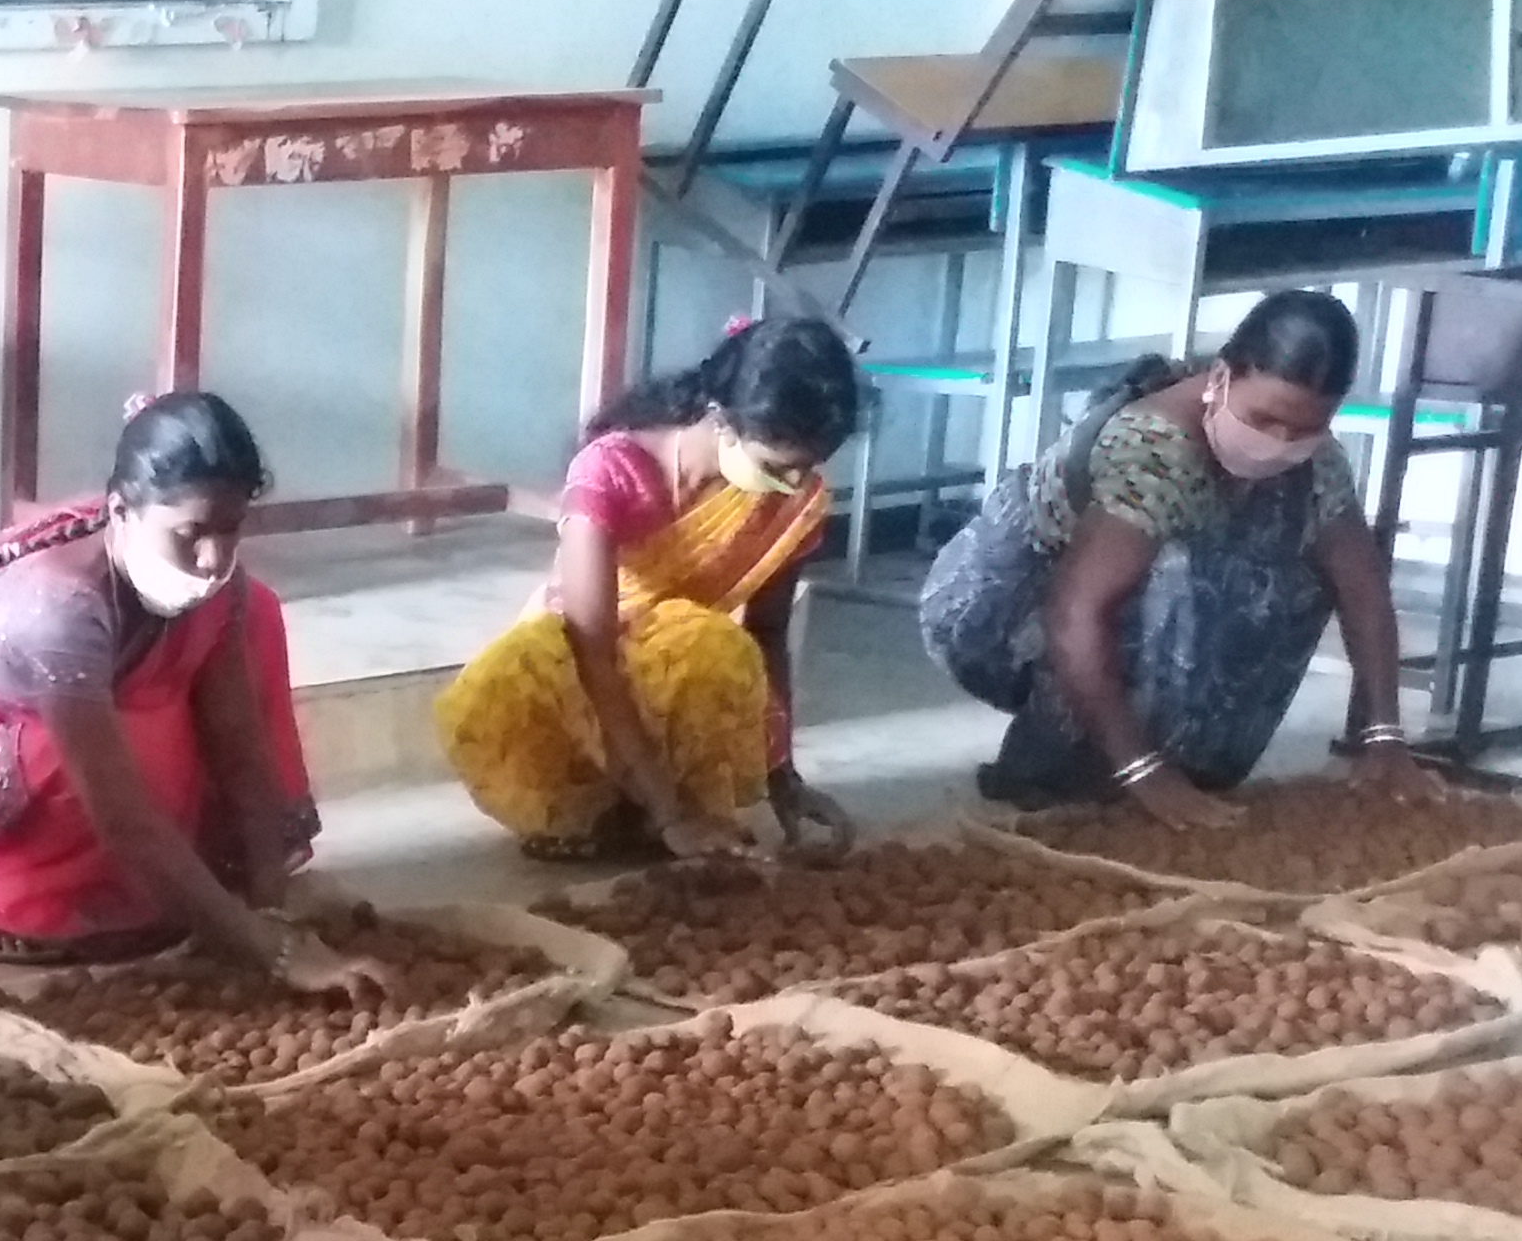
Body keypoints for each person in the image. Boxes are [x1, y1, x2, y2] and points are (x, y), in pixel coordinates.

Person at [0, 391, 369, 990]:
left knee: (254, 616)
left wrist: (269, 909)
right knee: (135, 738)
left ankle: (191, 894)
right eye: (191, 533)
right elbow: (122, 814)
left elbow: (239, 746)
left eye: (232, 530)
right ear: (120, 513)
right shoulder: (59, 608)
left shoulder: (214, 582)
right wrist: (272, 955)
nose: (213, 559)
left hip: (61, 740)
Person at [919, 290, 1437, 825]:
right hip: (994, 611)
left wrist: (1384, 734)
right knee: (1187, 581)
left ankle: (1189, 756)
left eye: (1305, 429)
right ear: (1220, 379)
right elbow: (1076, 614)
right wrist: (1144, 771)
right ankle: (1055, 764)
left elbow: (1362, 586)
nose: (1280, 443)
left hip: (1093, 602)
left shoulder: (1316, 462)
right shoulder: (1156, 452)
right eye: (1263, 419)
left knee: (1291, 579)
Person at [436, 316, 865, 864]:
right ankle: (631, 808)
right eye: (778, 469)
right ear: (724, 420)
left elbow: (767, 632)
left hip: (675, 676)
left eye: (808, 470)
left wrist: (782, 777)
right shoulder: (611, 470)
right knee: (675, 647)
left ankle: (661, 809)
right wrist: (672, 815)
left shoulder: (790, 502)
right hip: (574, 675)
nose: (795, 488)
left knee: (712, 648)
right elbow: (591, 652)